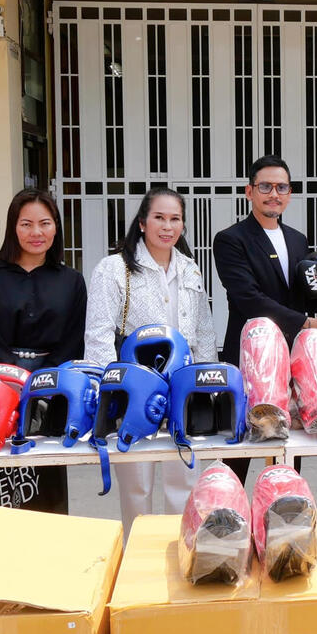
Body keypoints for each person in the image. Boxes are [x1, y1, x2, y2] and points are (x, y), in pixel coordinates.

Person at [85, 187, 218, 537]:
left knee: (185, 476)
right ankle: (136, 557)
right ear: (142, 222)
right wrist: (108, 390)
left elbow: (203, 328)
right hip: (136, 385)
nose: (167, 226)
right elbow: (98, 333)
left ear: (183, 226)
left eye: (175, 219)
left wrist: (208, 385)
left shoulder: (189, 268)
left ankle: (184, 551)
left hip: (183, 384)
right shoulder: (114, 269)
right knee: (137, 481)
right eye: (159, 217)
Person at [212, 155, 317, 482]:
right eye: (265, 186)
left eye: (281, 187)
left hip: (291, 363)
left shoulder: (297, 239)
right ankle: (229, 521)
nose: (274, 193)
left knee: (287, 455)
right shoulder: (231, 240)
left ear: (290, 192)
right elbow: (249, 299)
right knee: (237, 456)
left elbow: (305, 292)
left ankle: (284, 520)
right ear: (249, 191)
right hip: (249, 361)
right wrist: (310, 324)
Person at [0, 188, 87, 524]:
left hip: (50, 390)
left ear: (56, 228)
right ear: (12, 228)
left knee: (46, 481)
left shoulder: (71, 281)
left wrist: (41, 383)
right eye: (27, 224)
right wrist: (11, 384)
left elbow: (74, 340)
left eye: (45, 223)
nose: (36, 232)